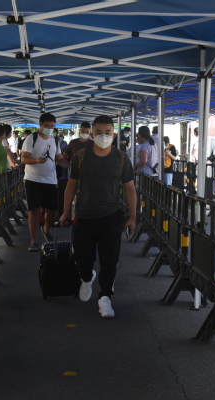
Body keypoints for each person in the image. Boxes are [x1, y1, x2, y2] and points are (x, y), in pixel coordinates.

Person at [59, 115, 137, 318]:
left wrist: (133, 217)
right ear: (92, 135)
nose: (104, 136)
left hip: (111, 215)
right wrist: (66, 212)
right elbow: (71, 184)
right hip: (84, 215)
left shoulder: (121, 158)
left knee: (109, 260)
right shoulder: (81, 156)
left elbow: (129, 188)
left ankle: (105, 297)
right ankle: (87, 277)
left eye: (108, 132)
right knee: (81, 257)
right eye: (99, 132)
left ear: (114, 134)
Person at [20, 113, 71, 251]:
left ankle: (46, 229)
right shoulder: (32, 138)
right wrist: (36, 160)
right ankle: (33, 240)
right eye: (47, 125)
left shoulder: (54, 140)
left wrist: (71, 165)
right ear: (40, 125)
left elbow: (59, 159)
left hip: (50, 180)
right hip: (33, 179)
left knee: (53, 210)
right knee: (34, 209)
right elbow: (23, 159)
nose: (49, 128)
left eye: (52, 126)